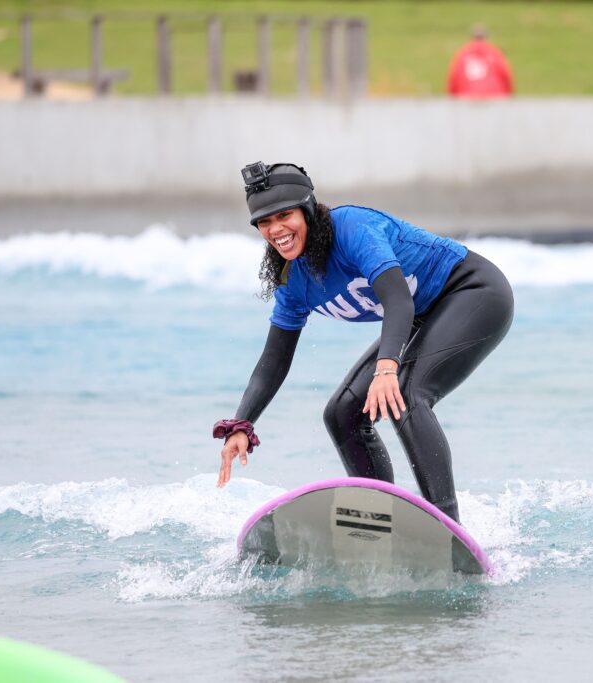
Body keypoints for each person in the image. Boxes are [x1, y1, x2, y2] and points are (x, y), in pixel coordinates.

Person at [214, 162, 514, 523]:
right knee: (342, 414)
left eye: (285, 215)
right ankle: (377, 521)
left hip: (473, 293)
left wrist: (388, 367)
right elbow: (275, 359)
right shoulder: (292, 280)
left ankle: (447, 525)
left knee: (405, 393)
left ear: (307, 210)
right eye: (264, 222)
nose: (276, 229)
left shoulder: (354, 229)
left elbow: (398, 300)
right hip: (420, 316)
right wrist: (242, 425)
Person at [447, 26, 514, 99]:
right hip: (494, 96)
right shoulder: (494, 53)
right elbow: (506, 78)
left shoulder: (462, 54)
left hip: (466, 98)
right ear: (486, 38)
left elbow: (453, 81)